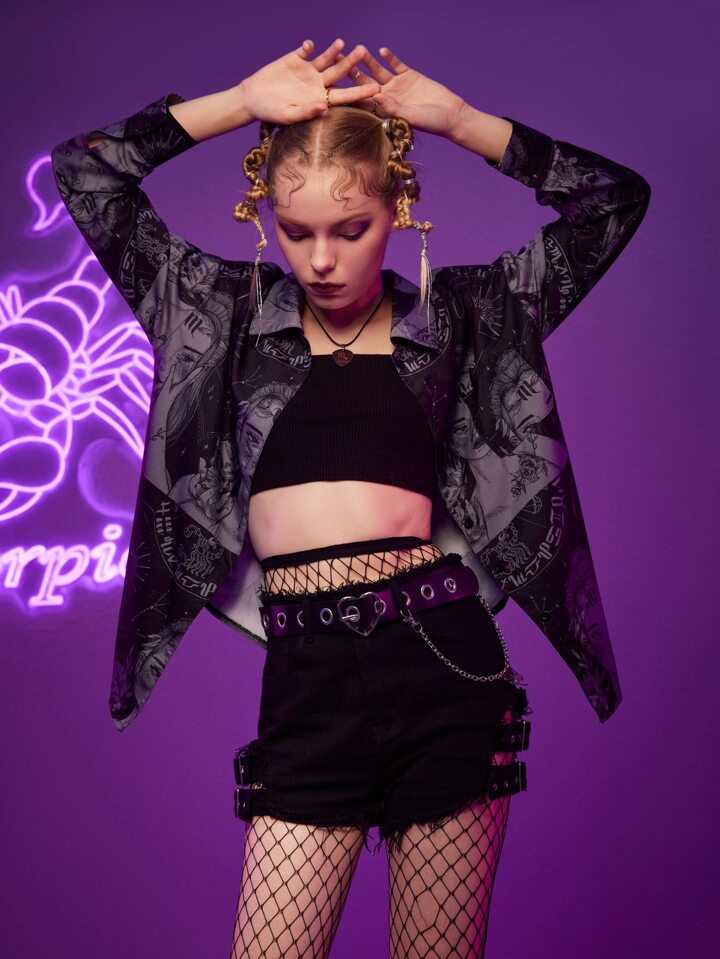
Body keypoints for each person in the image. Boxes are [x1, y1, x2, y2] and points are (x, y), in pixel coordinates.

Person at [50, 37, 651, 959]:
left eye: (351, 228)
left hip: (443, 668)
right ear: (266, 216)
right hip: (309, 683)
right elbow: (86, 174)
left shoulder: (464, 317)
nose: (322, 259)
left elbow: (613, 201)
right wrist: (239, 102)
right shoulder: (216, 312)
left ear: (398, 209)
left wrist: (461, 123)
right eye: (296, 232)